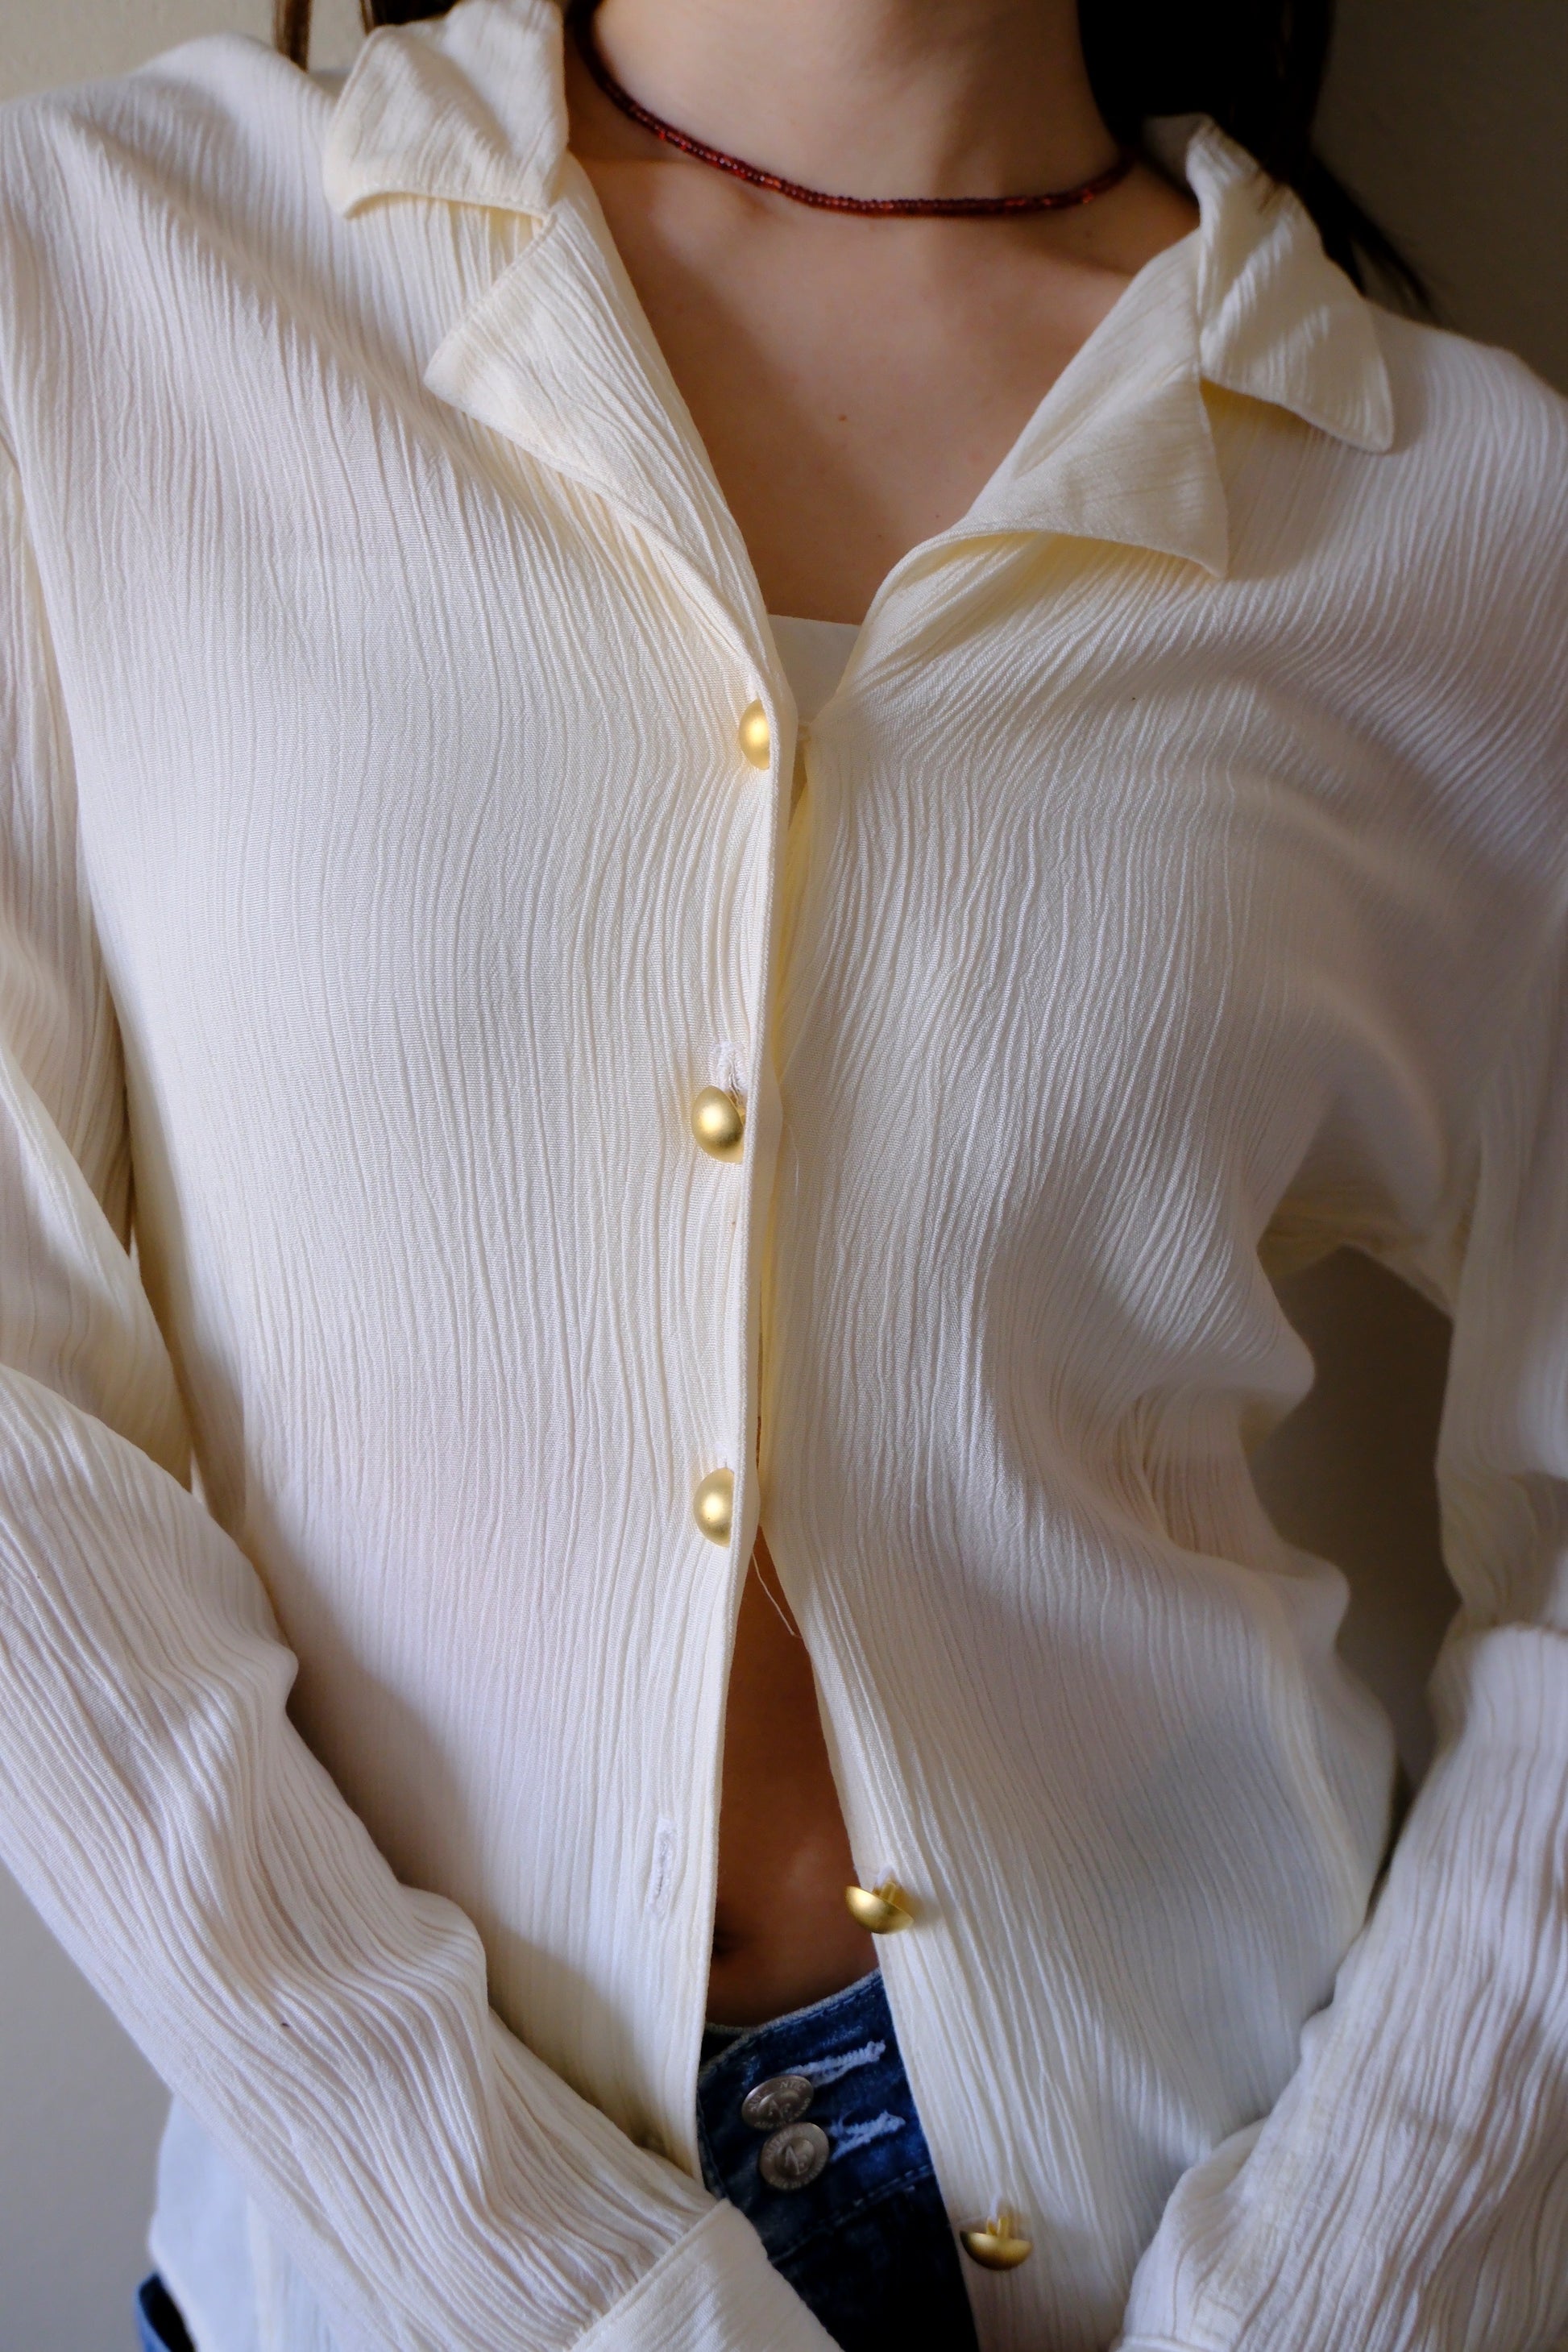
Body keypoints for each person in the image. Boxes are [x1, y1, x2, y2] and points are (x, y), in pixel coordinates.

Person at [0, 0, 1563, 2344]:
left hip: (1191, 2222)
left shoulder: (1464, 519)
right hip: (383, 2280)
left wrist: (1343, 2290)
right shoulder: (103, 274)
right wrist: (546, 2284)